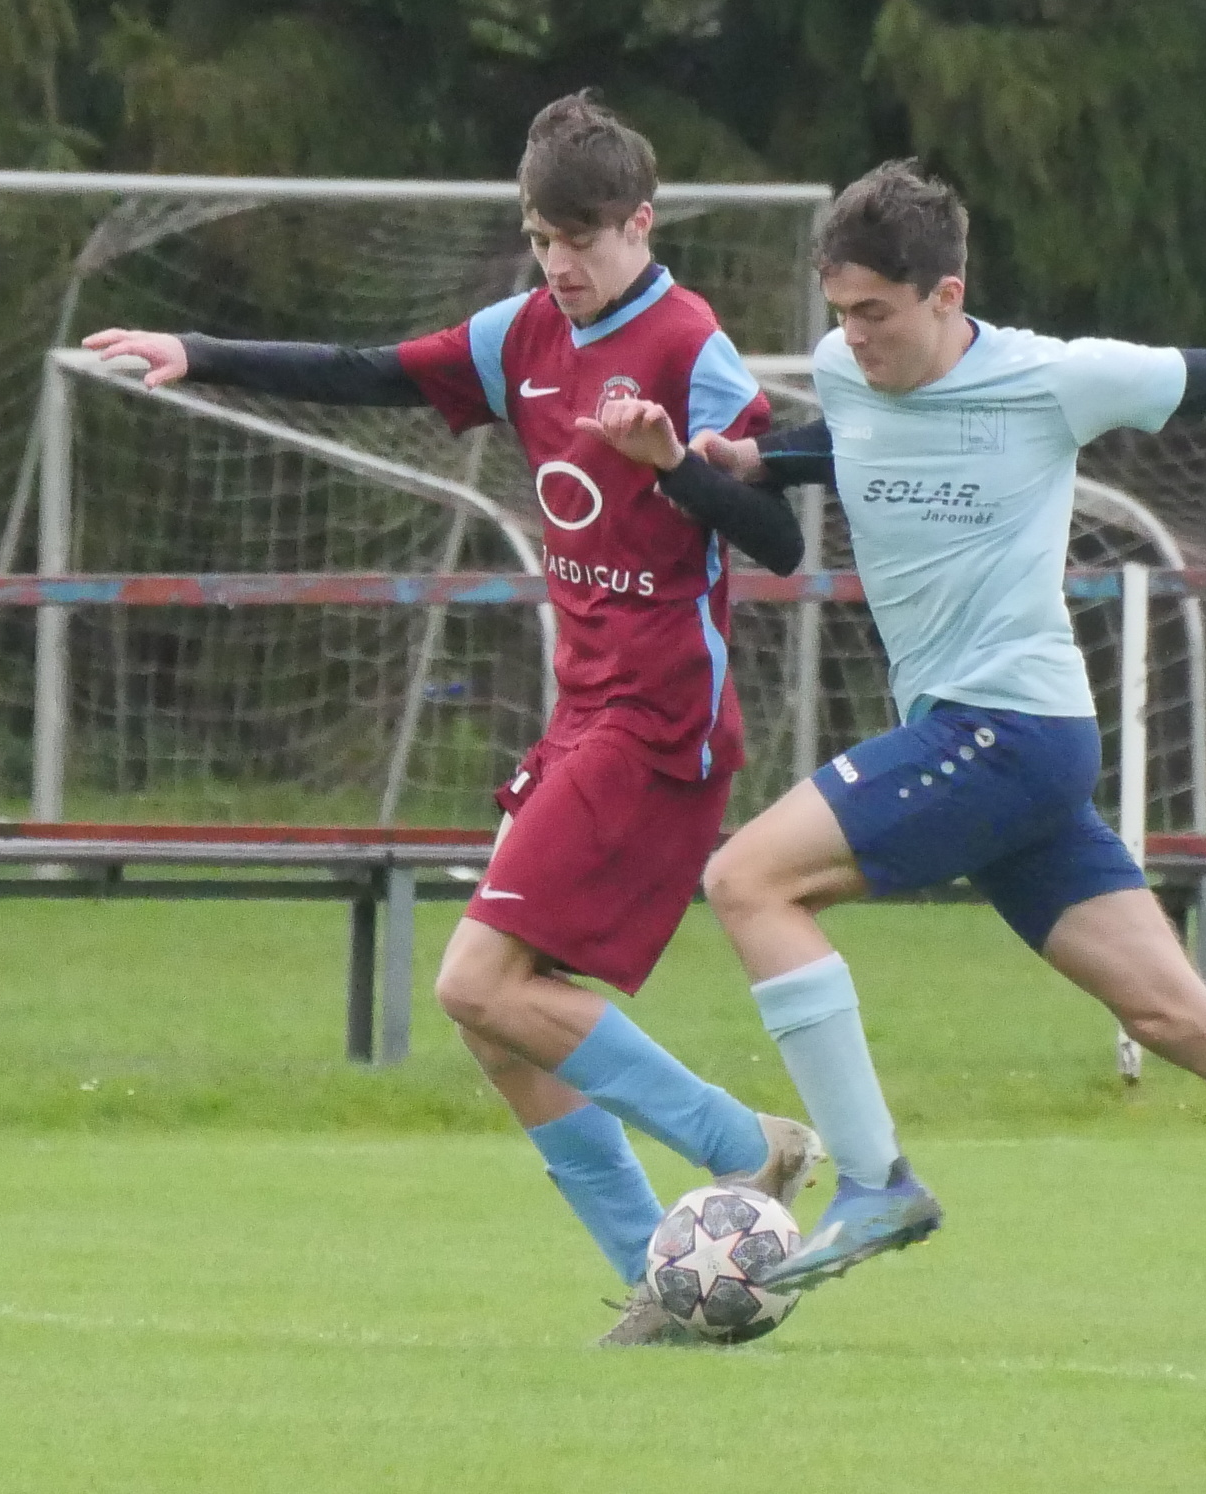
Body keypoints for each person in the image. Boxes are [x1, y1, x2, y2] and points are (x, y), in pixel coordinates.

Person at [574, 159, 1206, 1337]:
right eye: (841, 312)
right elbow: (865, 442)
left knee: (746, 880)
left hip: (1005, 730)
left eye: (877, 312)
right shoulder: (844, 371)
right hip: (996, 750)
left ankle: (875, 1183)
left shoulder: (1054, 380)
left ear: (946, 295)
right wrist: (741, 464)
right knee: (1175, 1015)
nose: (854, 337)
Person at [84, 93, 821, 1345]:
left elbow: (779, 541)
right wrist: (196, 352)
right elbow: (368, 372)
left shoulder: (689, 346)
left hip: (660, 719)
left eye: (580, 240)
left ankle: (746, 1143)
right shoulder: (520, 333)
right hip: (585, 712)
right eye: (540, 239)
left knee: (475, 980)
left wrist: (673, 467)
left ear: (639, 224)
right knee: (496, 1022)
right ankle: (664, 1287)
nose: (560, 264)